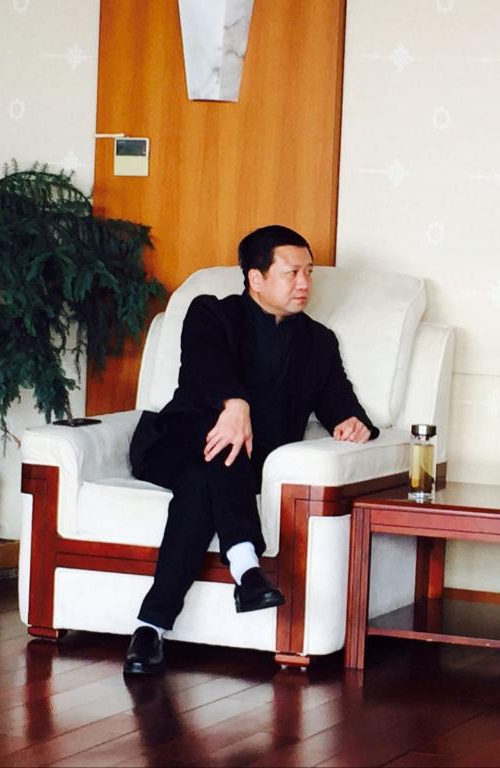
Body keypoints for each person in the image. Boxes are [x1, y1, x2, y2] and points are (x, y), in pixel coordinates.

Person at [123, 224, 378, 675]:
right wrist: (235, 405)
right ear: (255, 278)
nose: (304, 283)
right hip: (175, 442)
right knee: (224, 441)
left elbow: (339, 402)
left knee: (206, 477)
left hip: (241, 463)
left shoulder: (318, 342)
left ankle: (150, 627)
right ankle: (245, 566)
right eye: (292, 272)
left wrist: (352, 422)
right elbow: (206, 367)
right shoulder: (210, 313)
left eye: (309, 272)